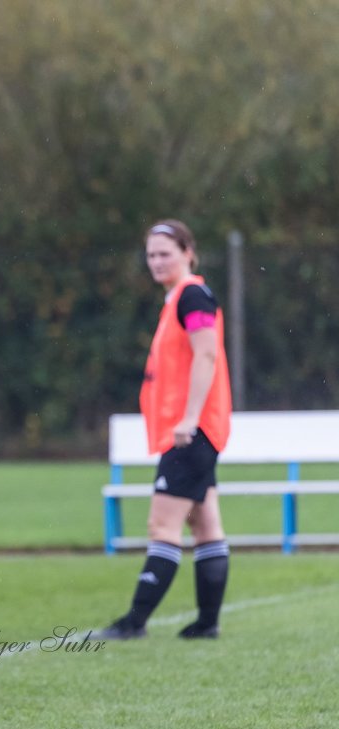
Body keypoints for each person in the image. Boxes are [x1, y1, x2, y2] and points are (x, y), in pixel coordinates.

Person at [99, 219, 232, 640]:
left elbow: (206, 355)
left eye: (165, 253)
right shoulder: (180, 296)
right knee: (205, 525)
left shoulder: (192, 294)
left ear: (188, 252)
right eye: (151, 254)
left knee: (162, 527)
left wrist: (189, 419)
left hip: (191, 432)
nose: (156, 261)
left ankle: (134, 622)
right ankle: (206, 624)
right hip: (195, 431)